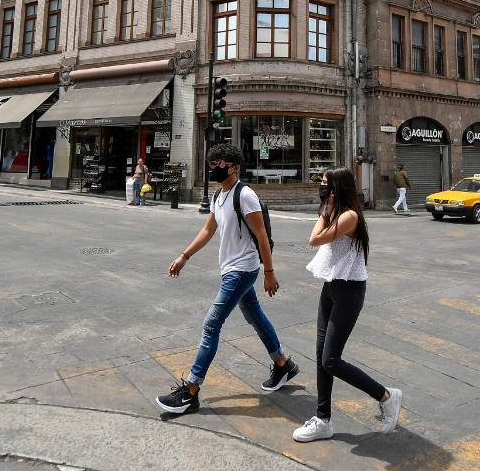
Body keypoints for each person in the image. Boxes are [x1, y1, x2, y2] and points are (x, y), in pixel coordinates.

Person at [155, 143, 298, 415]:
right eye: (213, 163)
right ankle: (283, 364)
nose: (216, 168)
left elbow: (262, 236)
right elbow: (208, 230)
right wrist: (184, 256)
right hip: (231, 268)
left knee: (211, 324)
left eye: (222, 164)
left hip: (242, 269)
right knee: (255, 317)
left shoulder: (245, 195)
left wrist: (269, 272)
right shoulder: (219, 196)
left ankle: (191, 391)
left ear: (235, 167)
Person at [293, 167, 401, 443]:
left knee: (330, 359)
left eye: (326, 184)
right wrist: (328, 207)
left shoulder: (349, 216)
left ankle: (386, 396)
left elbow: (314, 239)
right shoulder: (335, 212)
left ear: (338, 187)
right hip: (331, 286)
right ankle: (323, 420)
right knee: (321, 355)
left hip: (349, 291)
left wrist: (326, 209)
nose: (321, 187)